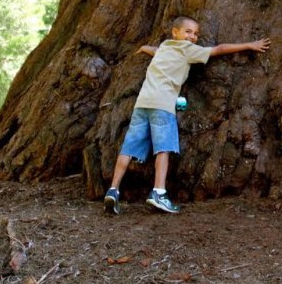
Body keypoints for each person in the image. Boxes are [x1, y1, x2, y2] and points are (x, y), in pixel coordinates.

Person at [104, 16, 270, 215]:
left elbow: (155, 51)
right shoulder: (188, 50)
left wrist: (145, 48)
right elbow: (219, 49)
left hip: (142, 104)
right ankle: (158, 192)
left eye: (196, 34)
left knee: (129, 148)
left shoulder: (165, 46)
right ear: (175, 32)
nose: (193, 37)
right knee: (163, 148)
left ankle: (113, 189)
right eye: (188, 32)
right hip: (162, 105)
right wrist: (249, 45)